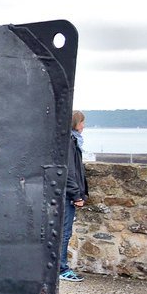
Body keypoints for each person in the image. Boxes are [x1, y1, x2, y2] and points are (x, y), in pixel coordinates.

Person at [59, 110, 88, 282]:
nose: (84, 126)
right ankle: (62, 269)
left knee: (63, 232)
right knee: (64, 232)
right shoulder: (70, 142)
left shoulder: (71, 140)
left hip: (68, 193)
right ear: (75, 123)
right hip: (68, 195)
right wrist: (76, 195)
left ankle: (60, 267)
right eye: (82, 122)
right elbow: (69, 171)